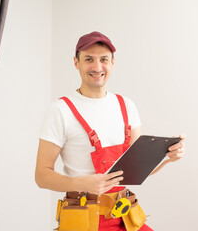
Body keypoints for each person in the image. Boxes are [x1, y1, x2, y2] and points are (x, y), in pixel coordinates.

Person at [35, 31, 185, 231]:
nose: (97, 67)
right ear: (76, 62)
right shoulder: (61, 110)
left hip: (125, 215)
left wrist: (168, 158)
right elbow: (41, 176)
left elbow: (137, 170)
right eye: (89, 59)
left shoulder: (126, 106)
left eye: (103, 59)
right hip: (84, 219)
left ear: (112, 63)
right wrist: (83, 183)